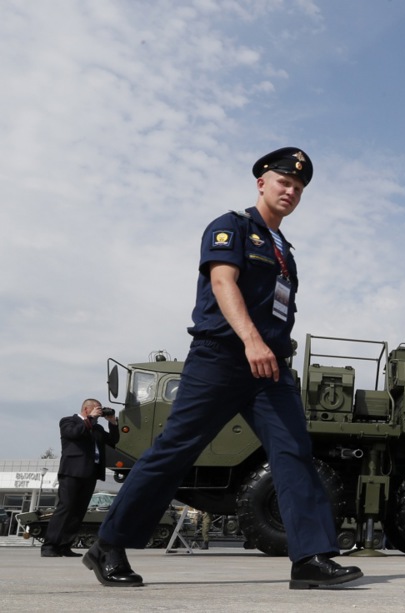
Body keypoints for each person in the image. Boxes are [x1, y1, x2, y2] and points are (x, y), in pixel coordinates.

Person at [83, 147, 362, 589]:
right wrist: (251, 340)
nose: (290, 190)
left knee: (294, 452)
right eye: (283, 181)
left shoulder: (284, 251)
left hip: (270, 368)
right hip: (222, 358)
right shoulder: (231, 226)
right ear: (262, 183)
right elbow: (221, 281)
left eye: (298, 187)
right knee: (176, 450)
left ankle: (309, 558)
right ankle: (107, 546)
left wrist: (268, 347)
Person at [42, 399, 119, 557]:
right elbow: (74, 433)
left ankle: (64, 546)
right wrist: (89, 419)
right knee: (66, 508)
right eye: (98, 409)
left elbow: (112, 441)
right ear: (87, 409)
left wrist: (112, 423)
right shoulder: (68, 421)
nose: (100, 412)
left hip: (90, 473)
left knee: (78, 511)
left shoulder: (96, 428)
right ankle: (49, 546)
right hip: (72, 472)